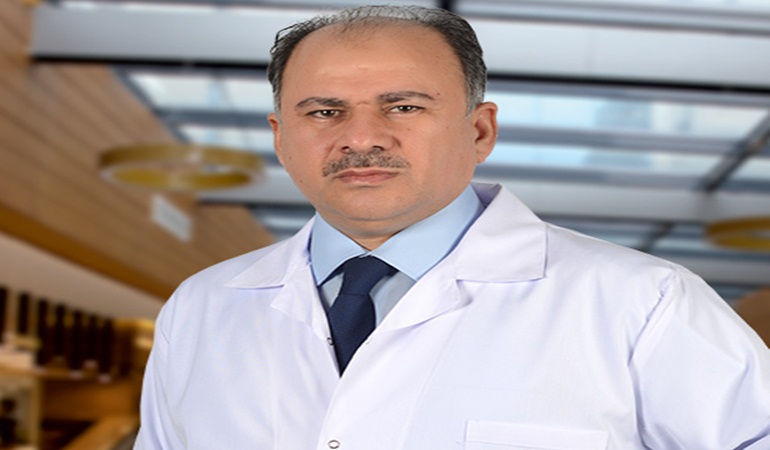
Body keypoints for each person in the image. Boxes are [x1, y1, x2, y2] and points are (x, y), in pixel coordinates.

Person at [134, 5, 770, 449]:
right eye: (324, 112)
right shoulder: (201, 308)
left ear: (480, 131)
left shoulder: (643, 303)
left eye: (403, 106)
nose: (361, 137)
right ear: (281, 138)